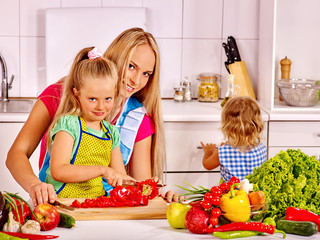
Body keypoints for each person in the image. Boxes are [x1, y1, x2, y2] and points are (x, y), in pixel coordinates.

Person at [6, 28, 179, 205]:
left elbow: (138, 187)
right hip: (55, 203)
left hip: (104, 210)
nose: (136, 80)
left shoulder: (138, 118)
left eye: (146, 74)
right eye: (131, 66)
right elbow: (16, 154)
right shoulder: (57, 96)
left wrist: (159, 195)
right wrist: (35, 185)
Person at [45, 47, 135, 198]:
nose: (101, 106)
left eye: (108, 99)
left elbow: (120, 179)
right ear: (77, 94)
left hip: (95, 204)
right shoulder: (69, 125)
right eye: (92, 99)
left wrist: (147, 185)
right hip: (63, 203)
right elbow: (59, 171)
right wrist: (102, 170)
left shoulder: (111, 132)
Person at [201, 96, 267, 182]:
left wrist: (208, 151)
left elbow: (207, 165)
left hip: (230, 194)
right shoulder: (261, 148)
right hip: (253, 194)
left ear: (227, 127)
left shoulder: (222, 152)